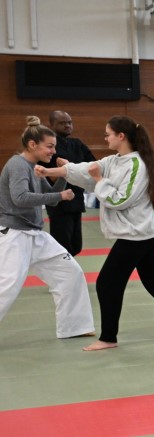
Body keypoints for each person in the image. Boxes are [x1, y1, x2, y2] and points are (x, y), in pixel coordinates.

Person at [40, 115, 154, 352]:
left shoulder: (137, 165)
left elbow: (119, 199)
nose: (105, 138)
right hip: (142, 232)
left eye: (108, 134)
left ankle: (108, 337)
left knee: (107, 283)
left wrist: (99, 180)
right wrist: (54, 170)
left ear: (121, 136)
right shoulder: (115, 160)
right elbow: (88, 169)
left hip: (137, 235)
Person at [0, 117, 95, 338]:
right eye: (49, 146)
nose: (53, 151)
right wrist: (60, 194)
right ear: (33, 144)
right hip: (13, 234)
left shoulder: (34, 167)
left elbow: (51, 200)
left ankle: (75, 327)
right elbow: (21, 198)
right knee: (7, 285)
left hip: (34, 234)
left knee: (70, 273)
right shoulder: (17, 165)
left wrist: (64, 175)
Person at [44, 110, 95, 256]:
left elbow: (92, 166)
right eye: (62, 123)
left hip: (77, 199)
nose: (67, 125)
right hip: (58, 202)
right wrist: (72, 169)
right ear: (51, 125)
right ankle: (63, 276)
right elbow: (51, 176)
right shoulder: (48, 146)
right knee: (62, 248)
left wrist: (69, 167)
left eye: (69, 122)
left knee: (76, 246)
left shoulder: (77, 144)